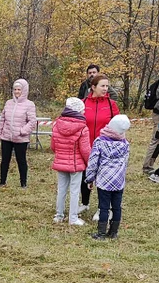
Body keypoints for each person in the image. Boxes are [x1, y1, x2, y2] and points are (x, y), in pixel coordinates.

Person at [84, 115, 130, 239]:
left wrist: (90, 178)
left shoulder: (99, 142)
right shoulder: (125, 144)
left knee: (103, 207)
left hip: (104, 181)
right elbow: (126, 162)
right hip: (119, 181)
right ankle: (114, 232)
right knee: (117, 207)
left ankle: (101, 233)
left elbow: (93, 162)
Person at [82, 74, 119, 214]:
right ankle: (84, 203)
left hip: (105, 148)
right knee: (85, 176)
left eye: (107, 86)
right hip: (86, 147)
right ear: (93, 87)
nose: (105, 89)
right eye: (102, 86)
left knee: (103, 180)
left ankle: (102, 208)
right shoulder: (84, 102)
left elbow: (117, 127)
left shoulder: (111, 104)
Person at [50, 97, 91, 225]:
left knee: (61, 190)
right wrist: (89, 163)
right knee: (74, 191)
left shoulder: (56, 124)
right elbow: (85, 150)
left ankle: (59, 215)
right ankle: (73, 218)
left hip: (60, 162)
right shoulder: (83, 128)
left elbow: (53, 146)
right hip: (76, 164)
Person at [0, 79, 37, 189]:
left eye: (19, 89)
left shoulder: (29, 105)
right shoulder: (8, 103)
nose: (16, 92)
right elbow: (2, 119)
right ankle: (2, 181)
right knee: (5, 160)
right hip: (6, 137)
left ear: (24, 90)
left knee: (21, 160)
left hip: (20, 138)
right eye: (15, 89)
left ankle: (23, 183)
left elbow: (32, 121)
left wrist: (22, 131)